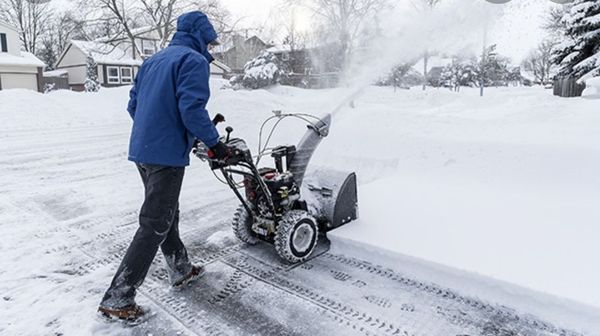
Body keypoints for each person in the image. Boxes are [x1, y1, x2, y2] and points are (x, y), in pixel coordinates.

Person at [98, 11, 230, 321]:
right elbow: (191, 109)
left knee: (165, 214)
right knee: (155, 223)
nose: (210, 49)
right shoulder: (193, 62)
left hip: (142, 151)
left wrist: (155, 132)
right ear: (200, 37)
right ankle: (118, 297)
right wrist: (215, 143)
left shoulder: (153, 61)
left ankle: (180, 268)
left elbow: (134, 104)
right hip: (165, 156)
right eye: (209, 43)